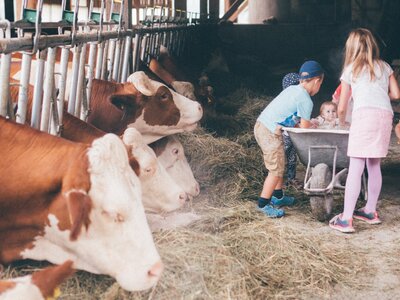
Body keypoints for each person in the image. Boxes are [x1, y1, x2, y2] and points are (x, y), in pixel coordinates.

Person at [329, 28, 400, 233]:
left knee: (357, 165)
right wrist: (378, 90)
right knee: (374, 163)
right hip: (385, 115)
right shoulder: (385, 66)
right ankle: (369, 210)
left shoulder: (351, 69)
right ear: (372, 45)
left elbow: (341, 107)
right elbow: (396, 94)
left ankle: (346, 219)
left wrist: (343, 123)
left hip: (364, 116)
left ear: (351, 48)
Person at [254, 61, 325, 217]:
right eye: (321, 84)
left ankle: (278, 196)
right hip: (269, 131)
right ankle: (263, 204)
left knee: (279, 164)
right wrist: (312, 125)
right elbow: (305, 128)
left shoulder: (293, 89)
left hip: (262, 126)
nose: (319, 88)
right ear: (317, 81)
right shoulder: (306, 100)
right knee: (275, 170)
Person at [281, 73, 301, 184]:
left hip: (292, 134)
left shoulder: (298, 102)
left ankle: (291, 178)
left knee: (292, 157)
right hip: (283, 134)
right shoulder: (284, 103)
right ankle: (281, 181)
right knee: (282, 157)